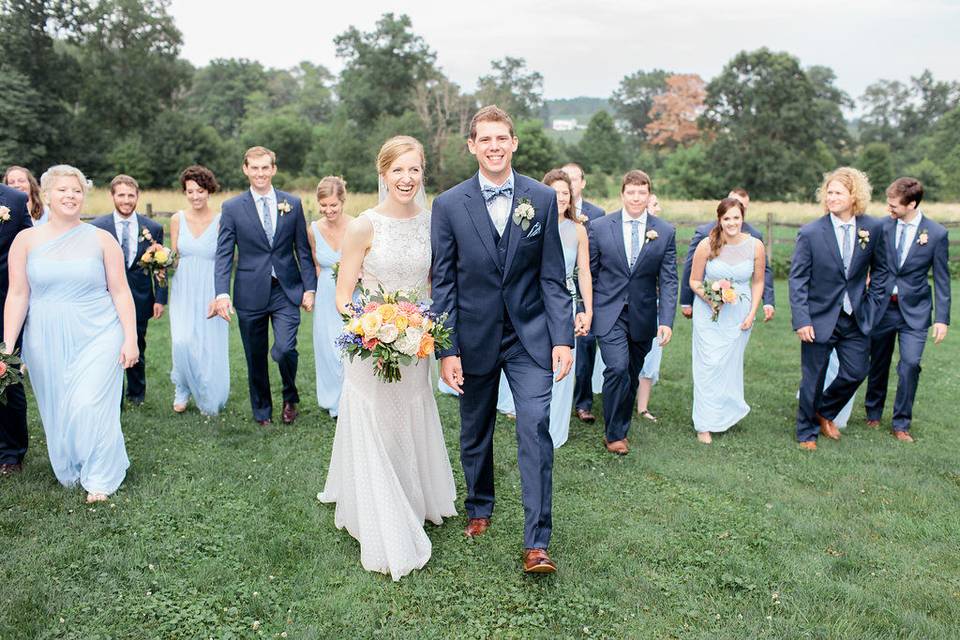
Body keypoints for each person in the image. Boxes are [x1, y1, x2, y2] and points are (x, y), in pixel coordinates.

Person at [432, 106, 574, 574]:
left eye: (501, 138)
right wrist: (446, 348)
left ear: (514, 143)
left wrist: (562, 338)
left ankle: (537, 543)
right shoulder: (449, 204)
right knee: (475, 430)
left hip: (530, 336)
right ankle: (479, 506)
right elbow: (444, 284)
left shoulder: (542, 199)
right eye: (484, 139)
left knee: (535, 427)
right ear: (472, 146)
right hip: (472, 336)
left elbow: (554, 276)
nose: (494, 147)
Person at [319, 136, 456, 581]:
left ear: (423, 174)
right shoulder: (363, 225)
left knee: (410, 415)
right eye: (398, 170)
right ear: (383, 174)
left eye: (414, 169)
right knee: (377, 420)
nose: (406, 178)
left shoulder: (433, 223)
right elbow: (343, 297)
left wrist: (419, 327)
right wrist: (376, 324)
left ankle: (414, 497)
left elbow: (436, 286)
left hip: (417, 345)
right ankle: (379, 507)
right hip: (374, 346)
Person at [3, 165, 137, 502]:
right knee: (60, 406)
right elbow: (18, 294)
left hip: (99, 330)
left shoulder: (102, 239)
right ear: (46, 195)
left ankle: (100, 478)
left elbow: (121, 291)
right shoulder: (26, 240)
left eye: (76, 191)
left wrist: (131, 337)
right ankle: (77, 462)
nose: (70, 196)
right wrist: (6, 347)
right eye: (62, 190)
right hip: (45, 336)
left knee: (89, 402)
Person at [212, 146, 317, 426]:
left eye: (265, 167)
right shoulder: (232, 208)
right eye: (254, 168)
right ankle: (262, 412)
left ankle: (290, 396)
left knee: (283, 349)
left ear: (274, 169)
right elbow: (224, 253)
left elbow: (303, 251)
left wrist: (310, 288)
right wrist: (222, 292)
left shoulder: (292, 204)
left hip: (286, 289)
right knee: (255, 355)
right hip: (249, 291)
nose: (260, 173)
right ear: (246, 169)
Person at [789, 167, 889, 450]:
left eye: (838, 193)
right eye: (829, 193)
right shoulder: (810, 232)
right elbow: (797, 280)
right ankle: (806, 432)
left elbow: (882, 270)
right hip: (819, 317)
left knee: (857, 371)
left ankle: (825, 411)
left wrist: (872, 304)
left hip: (856, 317)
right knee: (814, 376)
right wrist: (802, 319)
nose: (831, 198)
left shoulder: (872, 228)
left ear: (854, 195)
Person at [588, 170, 678, 456]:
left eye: (642, 193)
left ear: (649, 195)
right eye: (631, 192)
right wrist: (584, 310)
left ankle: (617, 422)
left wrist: (665, 320)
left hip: (643, 314)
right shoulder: (601, 227)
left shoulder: (664, 231)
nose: (637, 198)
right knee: (616, 367)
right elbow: (589, 273)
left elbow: (669, 280)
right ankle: (615, 434)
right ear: (622, 194)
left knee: (630, 372)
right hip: (609, 310)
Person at [864, 178, 950, 442]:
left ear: (911, 204)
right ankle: (873, 412)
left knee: (910, 364)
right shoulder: (880, 226)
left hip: (915, 311)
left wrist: (942, 319)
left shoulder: (936, 233)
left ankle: (901, 423)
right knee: (878, 361)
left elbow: (942, 278)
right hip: (882, 308)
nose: (889, 209)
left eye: (894, 205)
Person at [688, 198, 766, 443]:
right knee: (708, 365)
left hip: (739, 313)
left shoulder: (756, 246)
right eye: (727, 218)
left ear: (743, 218)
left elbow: (758, 281)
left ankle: (722, 415)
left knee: (728, 366)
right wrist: (710, 298)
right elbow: (694, 281)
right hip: (710, 314)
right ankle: (704, 423)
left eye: (736, 217)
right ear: (719, 220)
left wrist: (752, 313)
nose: (732, 223)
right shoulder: (706, 245)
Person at [90, 175, 166, 406]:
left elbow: (159, 265)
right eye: (121, 195)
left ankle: (136, 394)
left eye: (130, 195)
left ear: (137, 197)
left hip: (140, 297)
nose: (126, 200)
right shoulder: (96, 227)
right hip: (105, 298)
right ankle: (112, 396)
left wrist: (160, 298)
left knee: (137, 344)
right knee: (107, 347)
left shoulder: (152, 228)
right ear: (112, 196)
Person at [168, 165, 229, 416]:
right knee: (181, 342)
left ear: (209, 191)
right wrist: (160, 261)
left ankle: (206, 391)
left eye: (200, 191)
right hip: (183, 287)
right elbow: (175, 256)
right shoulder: (176, 219)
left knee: (208, 345)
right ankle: (181, 387)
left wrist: (221, 295)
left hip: (210, 287)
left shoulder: (221, 220)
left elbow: (226, 258)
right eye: (190, 191)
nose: (195, 196)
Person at [680, 188, 774, 322]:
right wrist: (686, 301)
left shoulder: (755, 237)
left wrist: (768, 301)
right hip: (708, 305)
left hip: (740, 309)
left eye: (742, 209)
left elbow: (764, 272)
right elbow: (691, 267)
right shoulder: (704, 233)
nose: (732, 221)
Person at [307, 176, 354, 419]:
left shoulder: (357, 226)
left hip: (352, 294)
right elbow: (316, 265)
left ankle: (353, 401)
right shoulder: (314, 230)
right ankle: (333, 400)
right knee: (328, 349)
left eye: (333, 205)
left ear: (343, 201)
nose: (328, 211)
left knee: (351, 348)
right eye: (324, 206)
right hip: (326, 292)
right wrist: (311, 293)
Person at [565, 162, 607, 423]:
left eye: (574, 179)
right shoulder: (551, 208)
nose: (569, 184)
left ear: (583, 182)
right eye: (565, 179)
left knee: (587, 343)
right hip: (560, 287)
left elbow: (601, 252)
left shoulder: (597, 213)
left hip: (589, 288)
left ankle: (583, 402)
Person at [0, 181, 32, 476]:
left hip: (5, 304)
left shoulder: (15, 199)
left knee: (6, 376)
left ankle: (11, 453)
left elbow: (34, 246)